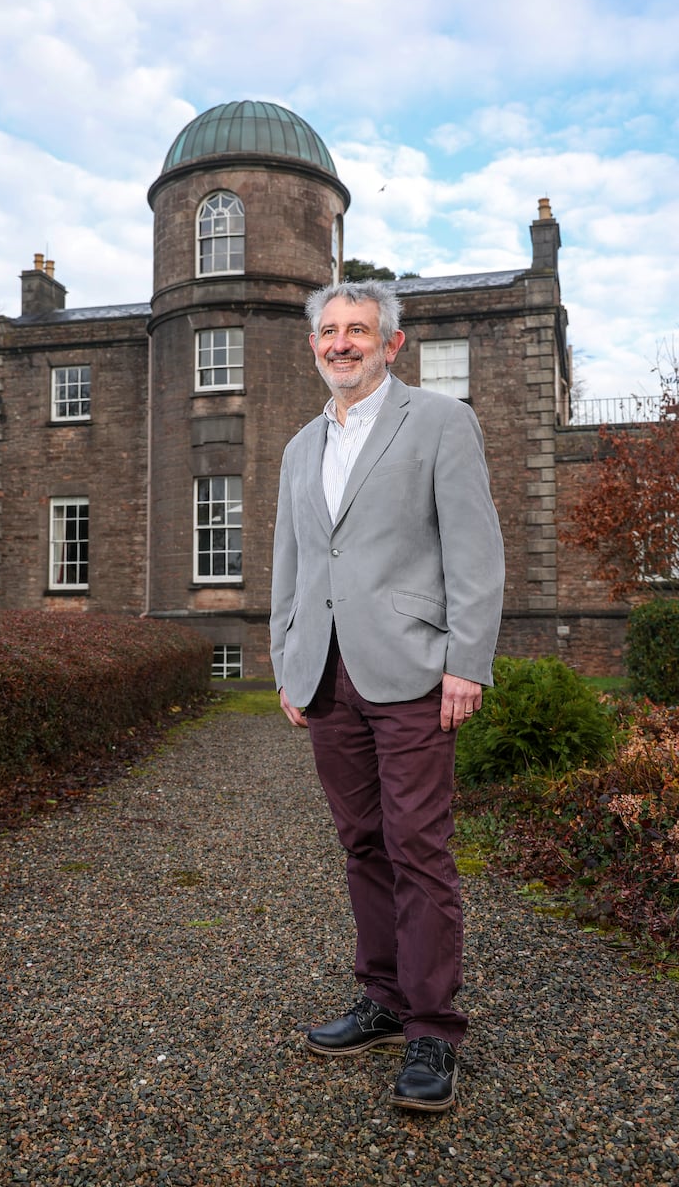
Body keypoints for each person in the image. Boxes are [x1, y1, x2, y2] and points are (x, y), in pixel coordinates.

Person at [269, 279, 505, 1112]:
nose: (341, 343)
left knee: (419, 847)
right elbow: (293, 562)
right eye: (329, 331)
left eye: (357, 330)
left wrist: (467, 661)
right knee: (362, 843)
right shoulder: (301, 446)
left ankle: (434, 1031)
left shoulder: (440, 423)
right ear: (314, 346)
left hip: (411, 668)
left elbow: (475, 550)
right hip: (326, 675)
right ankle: (382, 996)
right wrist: (285, 659)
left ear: (391, 343)